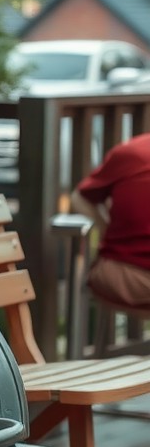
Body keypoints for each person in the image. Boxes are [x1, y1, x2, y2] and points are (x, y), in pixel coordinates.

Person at [72, 132, 150, 313]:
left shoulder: (131, 152)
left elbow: (80, 198)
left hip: (124, 272)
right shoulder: (132, 154)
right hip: (129, 273)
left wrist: (104, 227)